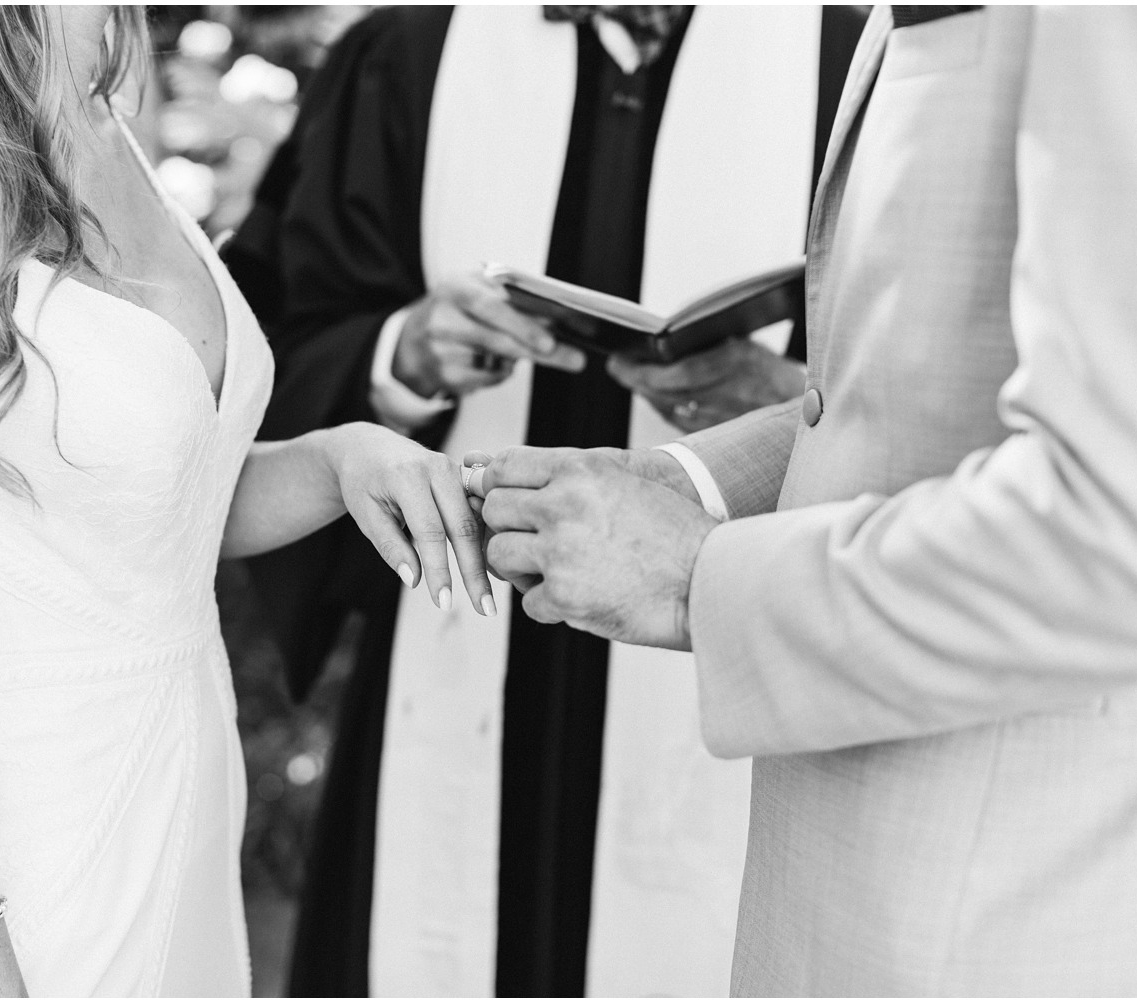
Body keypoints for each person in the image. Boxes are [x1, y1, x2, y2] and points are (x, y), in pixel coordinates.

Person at [472, 5, 1137, 994]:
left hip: (1007, 920)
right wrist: (680, 482)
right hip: (859, 893)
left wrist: (695, 577)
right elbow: (910, 395)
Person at [0, 7, 490, 996]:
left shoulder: (102, 115)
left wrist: (333, 457)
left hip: (185, 813)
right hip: (21, 867)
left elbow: (142, 517)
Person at [226, 5, 866, 995]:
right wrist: (401, 354)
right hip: (454, 632)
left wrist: (777, 406)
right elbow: (266, 358)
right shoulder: (409, 54)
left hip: (708, 633)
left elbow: (926, 393)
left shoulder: (844, 60)